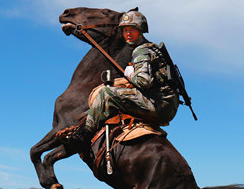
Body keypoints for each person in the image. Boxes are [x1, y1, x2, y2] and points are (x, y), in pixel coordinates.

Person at [62, 10, 179, 151]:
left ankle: (83, 135)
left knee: (106, 93)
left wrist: (129, 73)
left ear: (141, 30)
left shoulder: (140, 51)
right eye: (125, 30)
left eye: (132, 29)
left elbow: (144, 81)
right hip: (165, 103)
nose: (128, 33)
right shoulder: (150, 48)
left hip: (158, 104)